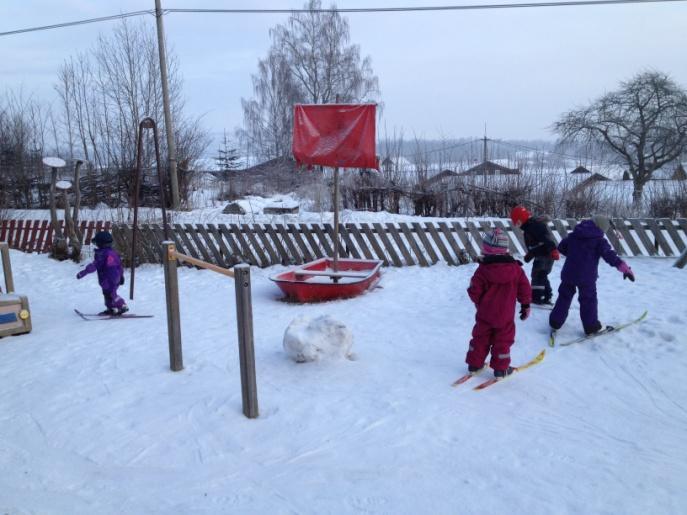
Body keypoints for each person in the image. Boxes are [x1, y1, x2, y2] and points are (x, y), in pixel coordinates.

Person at [549, 215, 635, 335]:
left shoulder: (574, 235)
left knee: (564, 296)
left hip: (569, 273)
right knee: (588, 300)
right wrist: (624, 268)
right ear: (601, 228)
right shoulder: (599, 240)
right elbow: (609, 255)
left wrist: (575, 254)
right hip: (586, 277)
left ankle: (555, 322)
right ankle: (591, 327)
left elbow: (562, 247)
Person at [465, 228, 532, 378]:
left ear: (486, 250)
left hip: (485, 314)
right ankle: (501, 369)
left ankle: (474, 365)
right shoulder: (516, 270)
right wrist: (525, 305)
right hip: (505, 316)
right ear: (505, 250)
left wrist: (480, 303)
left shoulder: (482, 271)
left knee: (480, 338)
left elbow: (473, 290)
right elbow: (525, 289)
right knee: (503, 340)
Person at [510, 205, 559, 305]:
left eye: (517, 222)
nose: (517, 225)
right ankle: (546, 296)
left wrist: (553, 250)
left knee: (538, 274)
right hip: (542, 254)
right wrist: (529, 255)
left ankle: (537, 297)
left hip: (546, 253)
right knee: (541, 274)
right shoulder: (529, 227)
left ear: (521, 219)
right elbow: (535, 245)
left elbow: (546, 238)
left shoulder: (534, 226)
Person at [76, 231, 129, 315]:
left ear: (100, 243)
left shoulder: (102, 254)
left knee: (111, 294)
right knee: (107, 294)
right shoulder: (113, 253)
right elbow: (119, 265)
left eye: (96, 242)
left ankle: (122, 305)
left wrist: (84, 272)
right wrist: (121, 276)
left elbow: (94, 265)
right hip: (114, 278)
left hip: (108, 279)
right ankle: (111, 308)